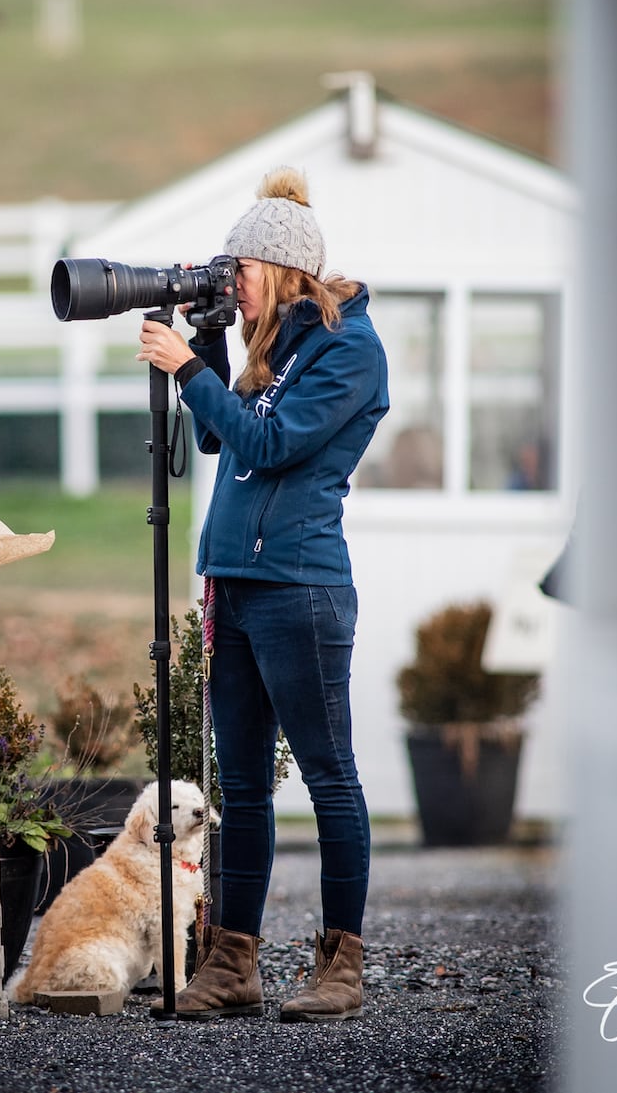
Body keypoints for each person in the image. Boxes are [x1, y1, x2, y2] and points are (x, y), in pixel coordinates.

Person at [136, 166, 389, 1023]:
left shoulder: (350, 349)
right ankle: (234, 963)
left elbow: (271, 442)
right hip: (237, 587)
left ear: (280, 270)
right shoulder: (268, 346)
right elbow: (216, 432)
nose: (229, 282)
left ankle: (341, 966)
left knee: (329, 777)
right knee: (241, 788)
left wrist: (186, 365)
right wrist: (204, 345)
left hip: (302, 588)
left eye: (237, 270)